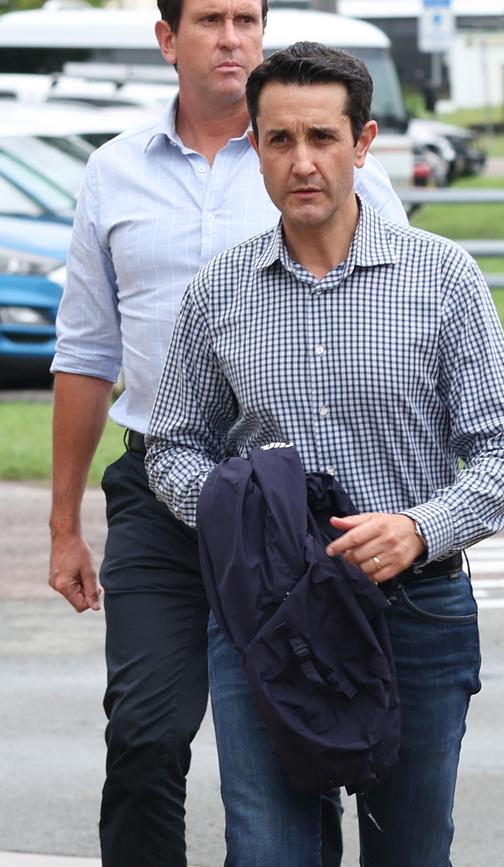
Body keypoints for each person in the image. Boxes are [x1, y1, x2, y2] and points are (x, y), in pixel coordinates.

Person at [145, 41, 504, 867]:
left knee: (410, 851)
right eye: (280, 139)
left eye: (323, 138)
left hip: (417, 610)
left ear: (361, 144)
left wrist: (420, 529)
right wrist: (244, 520)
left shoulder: (443, 278)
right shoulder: (218, 292)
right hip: (267, 613)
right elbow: (173, 443)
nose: (303, 162)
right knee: (269, 851)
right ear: (255, 145)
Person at [47, 0, 407, 862]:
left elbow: (397, 310)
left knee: (301, 737)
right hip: (159, 494)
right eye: (211, 19)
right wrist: (62, 525)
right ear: (169, 41)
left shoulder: (316, 152)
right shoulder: (114, 171)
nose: (233, 38)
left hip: (293, 504)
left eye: (248, 18)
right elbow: (87, 351)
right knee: (145, 734)